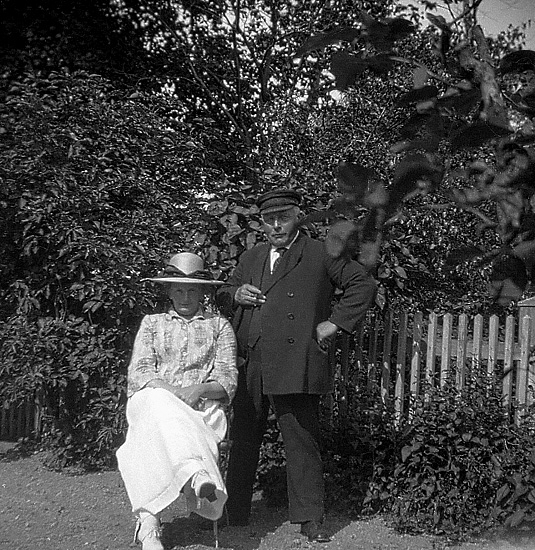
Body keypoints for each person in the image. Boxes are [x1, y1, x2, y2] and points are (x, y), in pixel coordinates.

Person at [216, 188, 377, 543]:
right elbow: (224, 291)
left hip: (295, 360)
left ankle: (310, 518)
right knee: (243, 438)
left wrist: (334, 323)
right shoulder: (252, 256)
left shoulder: (320, 252)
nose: (276, 226)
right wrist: (236, 294)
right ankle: (235, 511)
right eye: (269, 220)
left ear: (297, 218)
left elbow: (362, 284)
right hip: (251, 359)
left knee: (301, 440)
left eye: (283, 218)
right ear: (261, 224)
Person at [116, 252, 238, 550]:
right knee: (157, 405)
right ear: (169, 291)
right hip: (154, 399)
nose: (185, 297)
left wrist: (199, 390)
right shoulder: (152, 323)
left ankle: (148, 526)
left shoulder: (219, 326)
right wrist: (171, 393)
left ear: (202, 292)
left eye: (191, 290)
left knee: (145, 436)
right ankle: (194, 470)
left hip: (201, 409)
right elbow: (140, 372)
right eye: (179, 290)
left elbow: (228, 378)